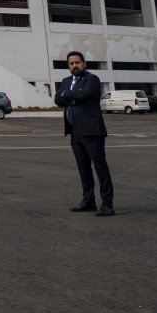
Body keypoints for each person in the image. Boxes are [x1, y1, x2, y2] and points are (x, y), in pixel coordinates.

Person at [54, 51, 114, 217]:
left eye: (77, 62)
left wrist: (68, 95)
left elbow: (85, 94)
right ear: (68, 66)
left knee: (100, 168)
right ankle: (89, 200)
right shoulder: (66, 81)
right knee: (83, 168)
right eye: (71, 63)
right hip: (75, 131)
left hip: (92, 131)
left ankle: (107, 204)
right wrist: (69, 96)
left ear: (84, 64)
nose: (75, 66)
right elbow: (57, 99)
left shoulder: (92, 79)